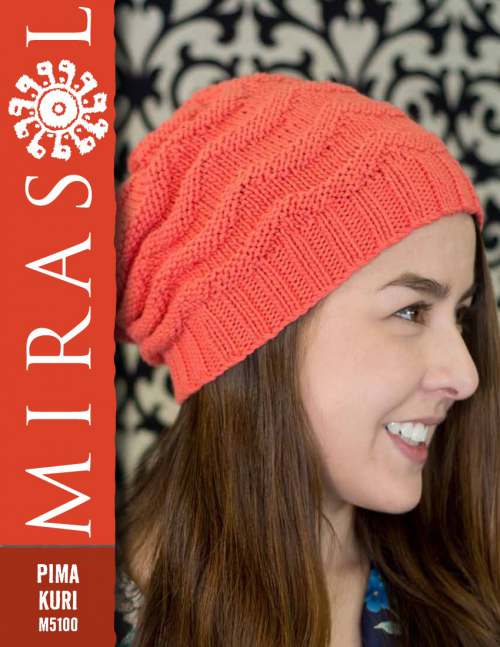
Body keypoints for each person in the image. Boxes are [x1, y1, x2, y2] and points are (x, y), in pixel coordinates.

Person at [114, 73, 500, 646]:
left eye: (461, 315)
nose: (465, 375)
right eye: (411, 311)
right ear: (259, 339)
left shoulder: (472, 588)